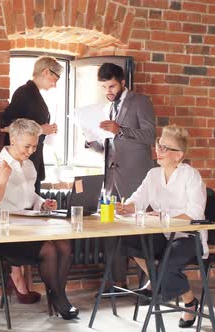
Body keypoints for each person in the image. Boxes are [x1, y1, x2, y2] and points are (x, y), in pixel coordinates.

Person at [0, 119, 78, 320]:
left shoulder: (30, 165)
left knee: (65, 245)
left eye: (35, 146)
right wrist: (2, 180)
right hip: (2, 233)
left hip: (28, 227)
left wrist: (42, 203)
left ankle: (59, 293)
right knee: (49, 249)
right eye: (27, 146)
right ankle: (59, 298)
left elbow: (30, 195)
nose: (31, 150)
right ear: (13, 140)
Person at [116, 125, 207, 328]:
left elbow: (195, 213)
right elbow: (137, 200)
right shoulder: (153, 174)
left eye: (165, 148)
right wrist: (125, 207)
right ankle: (156, 280)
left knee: (167, 261)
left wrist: (164, 217)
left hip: (187, 238)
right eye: (159, 145)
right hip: (161, 235)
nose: (158, 150)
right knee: (129, 240)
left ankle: (190, 302)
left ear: (178, 155)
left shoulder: (190, 175)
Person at [86, 62, 155, 289]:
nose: (108, 92)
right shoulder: (106, 108)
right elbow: (110, 147)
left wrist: (120, 129)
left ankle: (150, 286)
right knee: (110, 230)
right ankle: (115, 283)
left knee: (141, 234)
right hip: (110, 182)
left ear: (122, 82)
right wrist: (91, 142)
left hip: (136, 179)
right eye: (104, 87)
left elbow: (149, 135)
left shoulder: (140, 102)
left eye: (112, 86)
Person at [0, 56, 63, 302]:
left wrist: (43, 130)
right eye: (54, 78)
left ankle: (26, 277)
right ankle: (17, 276)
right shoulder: (24, 92)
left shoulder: (35, 94)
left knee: (32, 219)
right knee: (19, 217)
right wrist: (40, 129)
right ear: (45, 71)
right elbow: (6, 124)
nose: (55, 84)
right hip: (19, 163)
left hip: (32, 163)